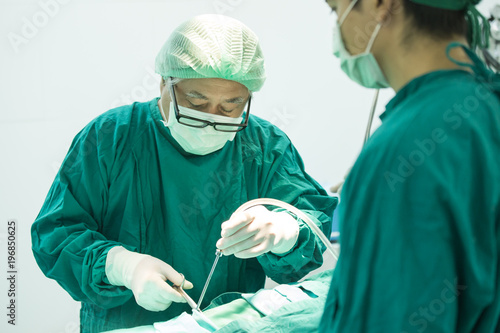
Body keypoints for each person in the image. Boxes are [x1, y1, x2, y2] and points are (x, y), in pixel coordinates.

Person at [31, 14, 337, 333]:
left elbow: (311, 225)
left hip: (229, 326)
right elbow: (57, 233)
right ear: (165, 83)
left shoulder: (264, 146)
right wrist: (122, 266)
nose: (211, 120)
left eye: (230, 108)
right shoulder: (111, 138)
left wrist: (286, 231)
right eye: (197, 102)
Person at [320, 0, 500, 332]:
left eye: (335, 9)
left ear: (380, 5)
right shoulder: (487, 106)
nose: (337, 29)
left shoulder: (404, 150)